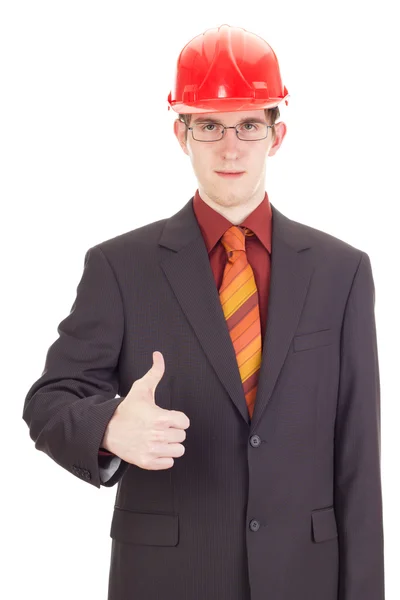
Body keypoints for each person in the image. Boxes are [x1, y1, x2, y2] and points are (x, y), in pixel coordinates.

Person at [22, 23, 385, 600]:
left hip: (303, 578)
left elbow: (360, 459)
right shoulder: (120, 267)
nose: (231, 146)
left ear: (277, 133)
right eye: (210, 125)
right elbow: (49, 401)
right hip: (168, 579)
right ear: (181, 134)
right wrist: (109, 427)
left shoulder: (342, 271)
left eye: (248, 125)